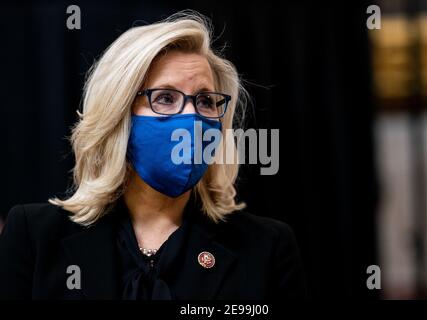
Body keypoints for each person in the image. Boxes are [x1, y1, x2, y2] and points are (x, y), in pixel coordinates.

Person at [0, 12, 305, 300]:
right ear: (119, 115)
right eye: (165, 98)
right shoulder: (35, 236)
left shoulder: (266, 247)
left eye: (206, 101)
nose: (192, 118)